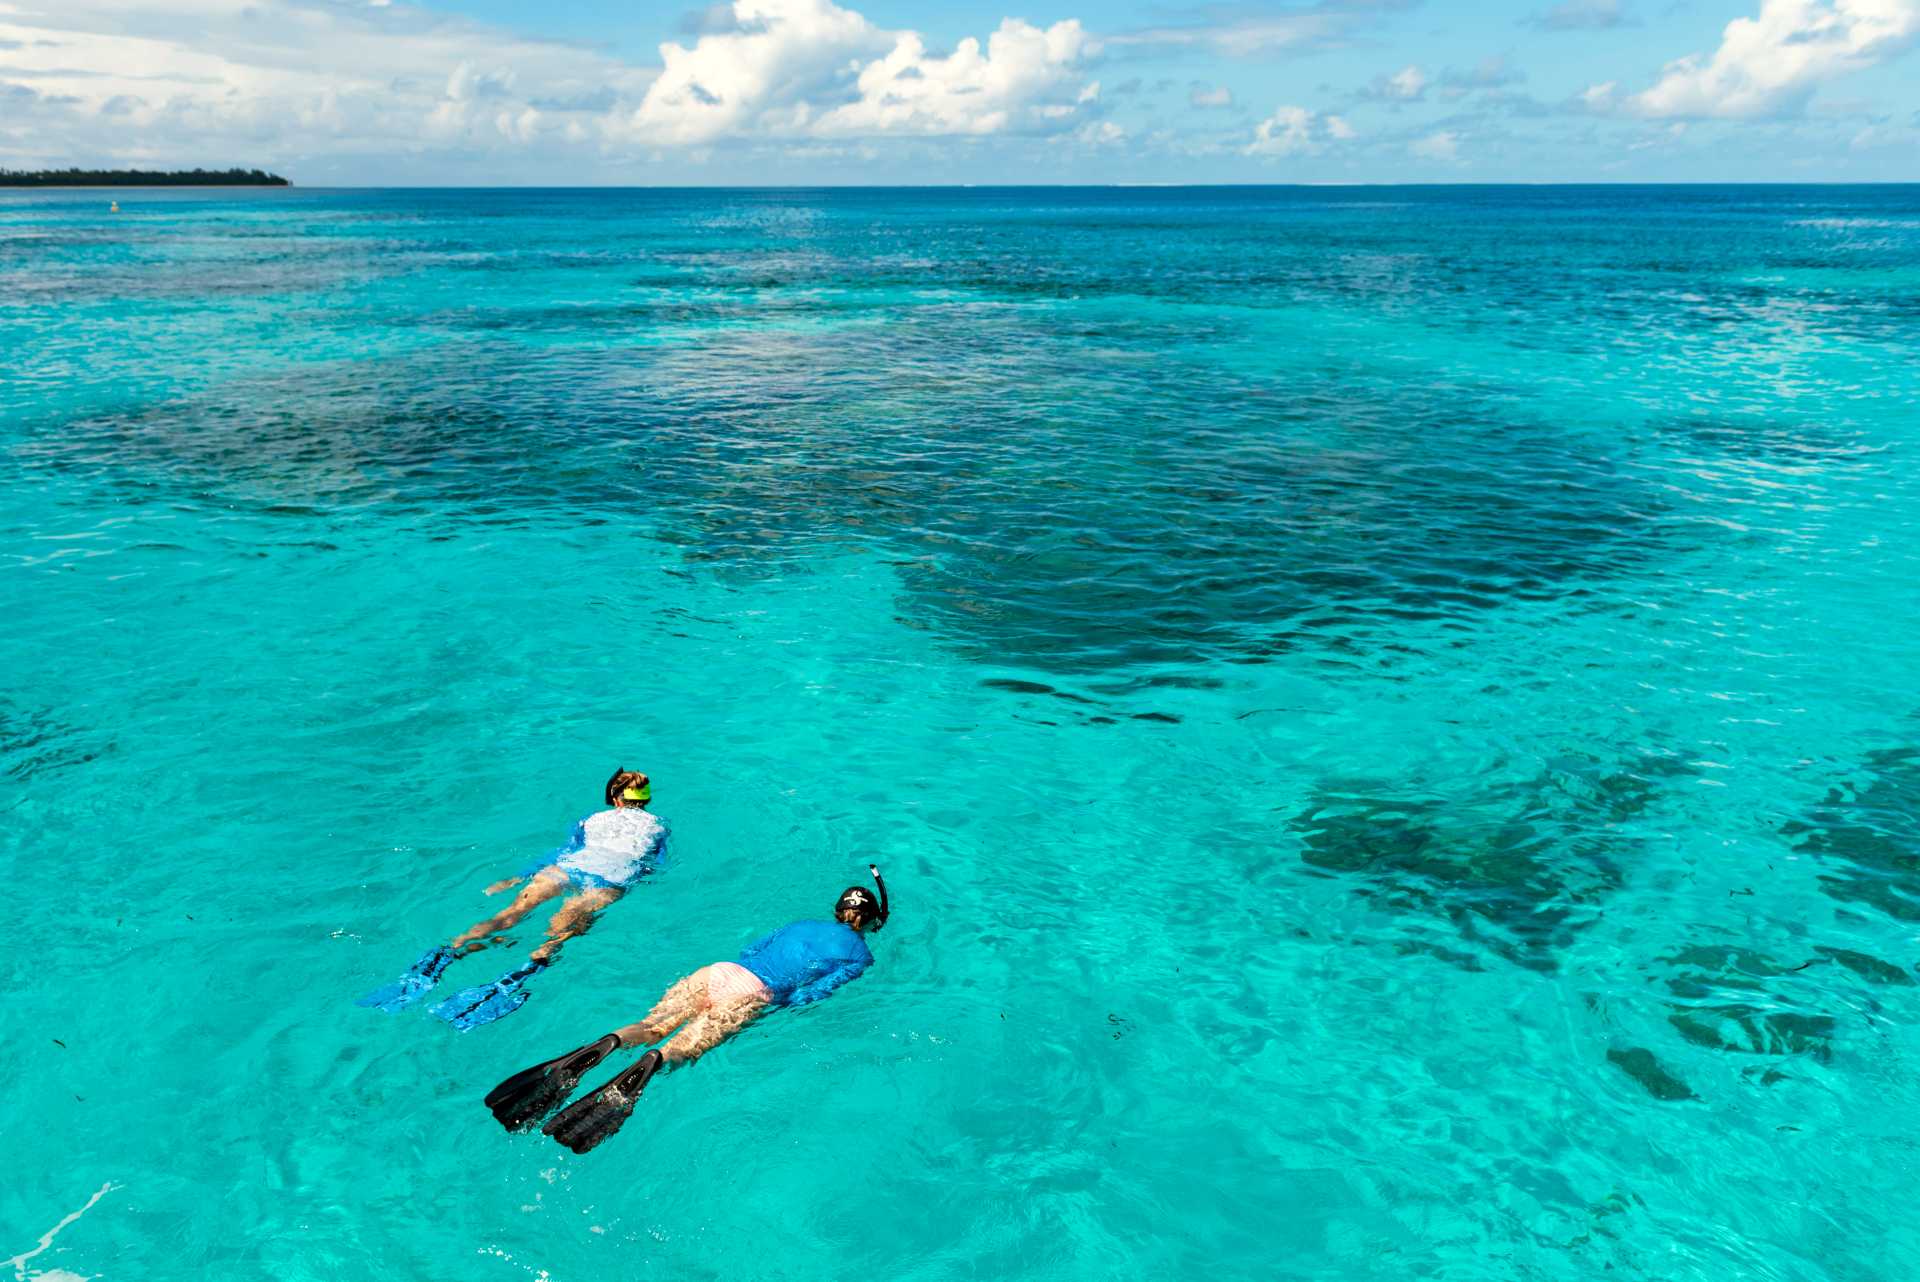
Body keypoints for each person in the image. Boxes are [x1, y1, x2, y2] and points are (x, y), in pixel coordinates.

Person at [485, 866, 890, 1153]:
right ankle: (652, 1062)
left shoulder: (800, 923)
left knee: (651, 1024)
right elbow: (813, 994)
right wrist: (776, 1003)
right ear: (870, 920)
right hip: (752, 994)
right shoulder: (860, 956)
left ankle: (613, 1041)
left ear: (837, 909)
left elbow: (751, 950)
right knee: (678, 1049)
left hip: (719, 971)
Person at [359, 768, 666, 1030]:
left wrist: (519, 877)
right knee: (560, 934)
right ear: (647, 800)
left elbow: (563, 851)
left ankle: (440, 959)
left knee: (508, 915)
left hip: (568, 868)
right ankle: (512, 980)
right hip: (609, 880)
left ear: (615, 799)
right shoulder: (659, 826)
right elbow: (655, 865)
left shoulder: (592, 819)